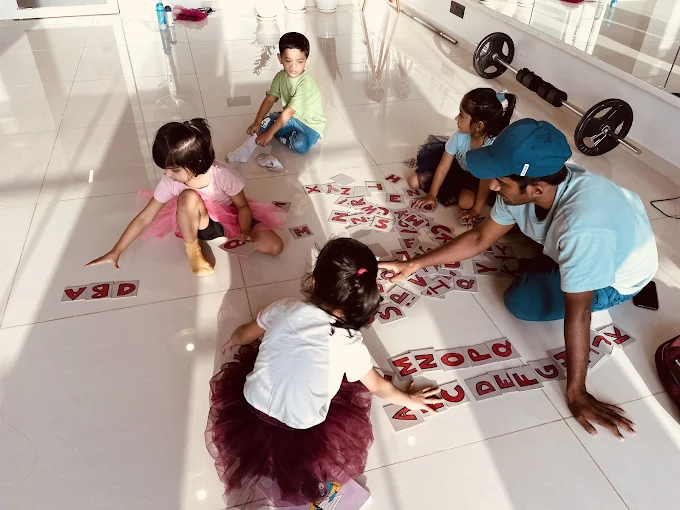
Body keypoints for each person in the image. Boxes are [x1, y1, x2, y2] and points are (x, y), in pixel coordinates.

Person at [382, 119, 658, 440]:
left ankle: (579, 273)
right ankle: (555, 259)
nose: (493, 188)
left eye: (501, 182)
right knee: (526, 239)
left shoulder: (581, 228)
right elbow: (479, 238)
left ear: (536, 189)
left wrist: (577, 392)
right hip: (603, 235)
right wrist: (413, 264)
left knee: (520, 300)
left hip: (616, 279)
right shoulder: (533, 185)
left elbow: (579, 311)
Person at [205, 238, 442, 505]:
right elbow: (378, 387)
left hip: (250, 407)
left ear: (314, 282)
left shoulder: (282, 306)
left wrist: (233, 340)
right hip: (301, 427)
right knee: (349, 384)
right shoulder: (348, 340)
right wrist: (410, 399)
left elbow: (246, 333)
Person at [85, 119, 285, 276]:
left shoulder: (222, 174)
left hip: (229, 217)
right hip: (196, 222)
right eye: (166, 169)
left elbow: (242, 207)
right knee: (188, 197)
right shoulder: (171, 181)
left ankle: (231, 235)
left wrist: (245, 231)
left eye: (173, 169)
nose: (167, 174)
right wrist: (116, 250)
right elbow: (145, 217)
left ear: (194, 165)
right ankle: (193, 250)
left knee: (275, 247)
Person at [407, 88, 517, 225]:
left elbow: (485, 181)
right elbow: (443, 167)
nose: (456, 118)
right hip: (456, 168)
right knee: (413, 181)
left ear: (479, 125)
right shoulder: (459, 136)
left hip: (477, 178)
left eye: (461, 115)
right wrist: (431, 195)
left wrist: (476, 210)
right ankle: (451, 188)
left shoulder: (491, 146)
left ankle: (461, 191)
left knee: (466, 203)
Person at [246, 32, 326, 154]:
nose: (293, 66)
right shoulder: (280, 77)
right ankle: (282, 130)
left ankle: (281, 133)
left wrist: (269, 134)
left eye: (299, 61)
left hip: (309, 126)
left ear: (307, 60)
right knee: (264, 123)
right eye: (288, 61)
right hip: (291, 117)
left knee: (299, 145)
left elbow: (289, 111)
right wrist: (257, 121)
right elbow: (269, 99)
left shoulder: (305, 84)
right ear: (280, 58)